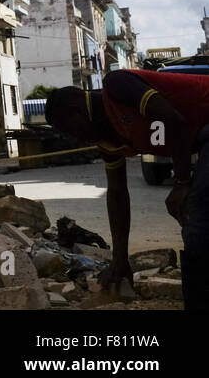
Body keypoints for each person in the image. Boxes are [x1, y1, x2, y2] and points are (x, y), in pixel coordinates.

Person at [45, 69, 209, 310]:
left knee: (197, 220)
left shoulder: (117, 85)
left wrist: (182, 183)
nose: (77, 140)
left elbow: (173, 120)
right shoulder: (107, 139)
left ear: (77, 111)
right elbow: (117, 194)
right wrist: (120, 259)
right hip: (203, 135)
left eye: (70, 130)